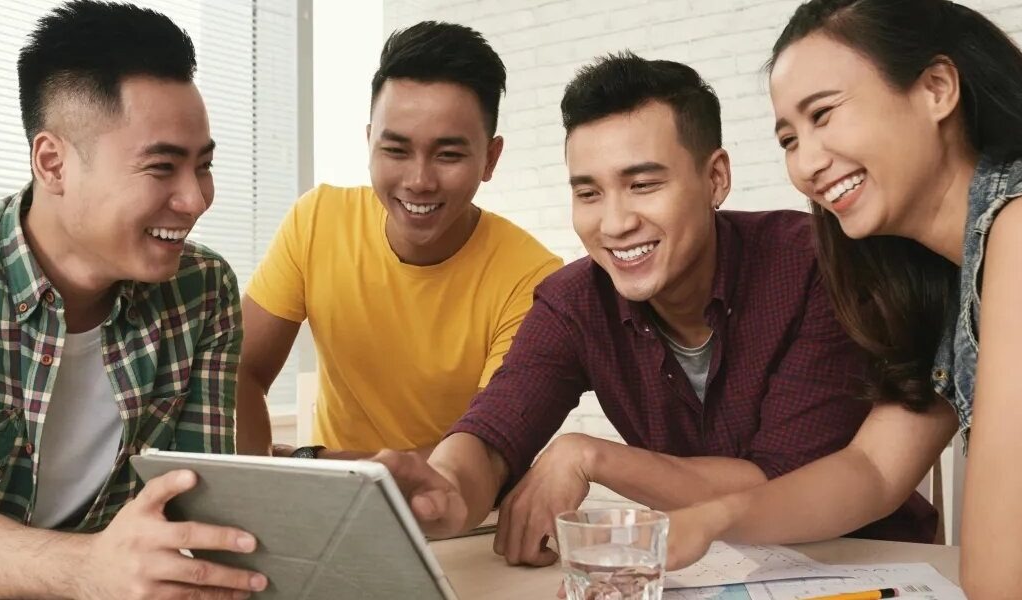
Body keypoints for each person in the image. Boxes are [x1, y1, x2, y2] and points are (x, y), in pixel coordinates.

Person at [377, 51, 937, 569]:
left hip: (866, 563)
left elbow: (782, 481)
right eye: (588, 193)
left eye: (642, 184)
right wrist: (447, 490)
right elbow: (496, 429)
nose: (615, 223)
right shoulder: (573, 302)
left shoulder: (816, 266)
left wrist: (589, 456)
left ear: (715, 178)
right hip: (697, 572)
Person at [654, 1, 1022, 598]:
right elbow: (873, 470)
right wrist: (713, 519)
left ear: (936, 88)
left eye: (824, 114)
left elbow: (1008, 587)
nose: (807, 164)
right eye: (789, 139)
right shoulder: (951, 275)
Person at [0, 2, 267, 597]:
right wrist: (89, 569)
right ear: (52, 163)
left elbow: (194, 507)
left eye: (203, 165)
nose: (195, 199)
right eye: (162, 167)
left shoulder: (203, 289)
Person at [236, 21, 562, 459]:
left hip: (461, 502)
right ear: (369, 142)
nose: (419, 181)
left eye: (448, 154)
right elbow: (238, 372)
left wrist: (311, 461)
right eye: (396, 150)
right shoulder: (316, 221)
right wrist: (257, 474)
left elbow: (485, 451)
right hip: (330, 494)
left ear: (490, 158)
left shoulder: (533, 278)